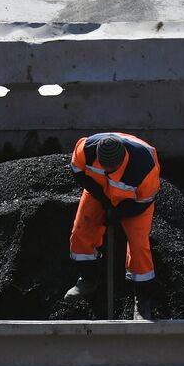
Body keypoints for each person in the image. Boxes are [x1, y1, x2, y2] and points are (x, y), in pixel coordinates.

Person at [64, 132, 161, 317]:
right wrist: (101, 197)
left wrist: (119, 213)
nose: (107, 170)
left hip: (134, 201)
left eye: (111, 168)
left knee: (138, 245)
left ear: (122, 160)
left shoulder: (144, 167)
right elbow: (77, 170)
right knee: (81, 230)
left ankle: (142, 298)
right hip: (99, 191)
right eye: (103, 166)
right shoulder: (87, 149)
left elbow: (144, 201)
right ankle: (87, 279)